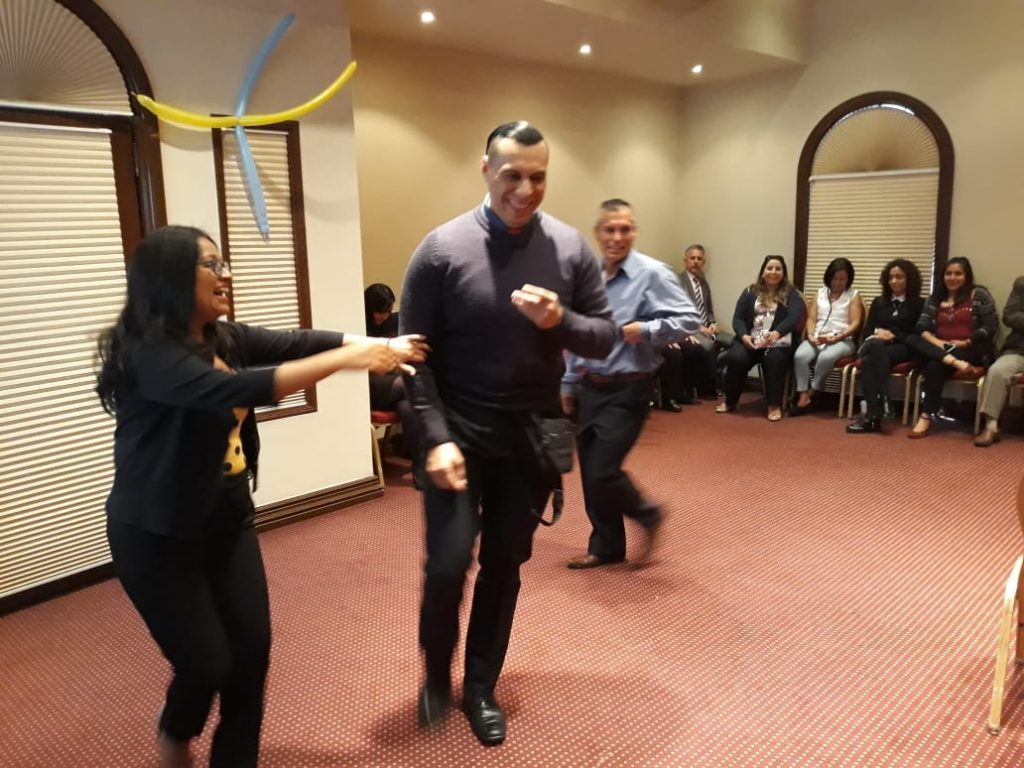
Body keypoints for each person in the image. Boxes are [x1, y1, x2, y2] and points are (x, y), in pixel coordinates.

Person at [95, 226, 427, 768]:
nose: (225, 273)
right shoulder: (150, 354)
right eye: (210, 264)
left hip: (227, 517)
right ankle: (176, 730)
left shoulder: (222, 338)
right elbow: (238, 389)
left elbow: (296, 342)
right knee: (206, 664)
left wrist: (376, 344)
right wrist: (353, 358)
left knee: (251, 656)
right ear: (170, 277)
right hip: (155, 533)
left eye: (223, 262)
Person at [399, 121, 615, 746]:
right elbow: (411, 358)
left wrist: (560, 319)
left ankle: (479, 687)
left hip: (528, 438)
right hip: (456, 437)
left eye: (538, 177)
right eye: (512, 175)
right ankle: (435, 675)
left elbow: (603, 337)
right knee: (447, 565)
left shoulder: (570, 249)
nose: (525, 190)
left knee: (504, 565)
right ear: (486, 170)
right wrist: (435, 436)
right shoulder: (440, 250)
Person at [561, 200, 699, 569]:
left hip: (629, 388)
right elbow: (577, 333)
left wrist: (649, 329)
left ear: (633, 232)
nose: (617, 237)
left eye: (625, 229)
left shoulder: (653, 274)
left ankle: (647, 513)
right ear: (598, 233)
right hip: (590, 386)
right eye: (610, 229)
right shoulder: (588, 277)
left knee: (604, 469)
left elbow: (690, 319)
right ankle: (606, 546)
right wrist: (568, 381)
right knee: (591, 473)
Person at [905, 256, 997, 438]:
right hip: (941, 349)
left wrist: (967, 341)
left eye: (958, 274)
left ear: (966, 276)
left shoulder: (979, 295)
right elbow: (921, 327)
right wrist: (939, 343)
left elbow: (991, 327)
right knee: (914, 342)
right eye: (948, 273)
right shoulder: (935, 298)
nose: (952, 278)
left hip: (971, 350)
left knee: (933, 362)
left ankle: (925, 416)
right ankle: (928, 414)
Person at [717, 255, 803, 421]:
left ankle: (774, 405)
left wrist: (776, 333)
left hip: (776, 341)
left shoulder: (791, 294)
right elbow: (738, 319)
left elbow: (793, 318)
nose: (773, 272)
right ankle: (731, 401)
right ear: (763, 272)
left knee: (774, 359)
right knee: (736, 357)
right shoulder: (750, 292)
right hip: (751, 339)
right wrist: (744, 336)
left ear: (784, 273)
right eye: (769, 268)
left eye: (778, 269)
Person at [846, 259, 925, 433]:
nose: (894, 281)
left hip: (904, 348)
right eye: (891, 278)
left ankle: (873, 415)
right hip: (879, 347)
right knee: (875, 346)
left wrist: (892, 335)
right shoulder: (879, 302)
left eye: (899, 277)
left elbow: (918, 335)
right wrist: (878, 332)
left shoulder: (918, 304)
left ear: (909, 279)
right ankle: (885, 400)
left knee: (868, 361)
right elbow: (867, 331)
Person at [790, 257, 864, 415]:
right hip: (818, 337)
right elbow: (811, 319)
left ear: (849, 279)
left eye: (842, 279)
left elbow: (856, 322)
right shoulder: (820, 293)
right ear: (829, 277)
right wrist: (811, 335)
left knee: (825, 357)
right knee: (800, 356)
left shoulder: (853, 295)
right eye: (835, 278)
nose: (838, 282)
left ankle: (812, 392)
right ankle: (803, 394)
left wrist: (839, 337)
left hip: (843, 340)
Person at [658, 244, 722, 408]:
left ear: (703, 262)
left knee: (733, 342)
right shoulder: (677, 281)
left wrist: (712, 322)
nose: (695, 261)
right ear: (685, 261)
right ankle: (709, 386)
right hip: (689, 328)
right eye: (692, 258)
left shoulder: (703, 283)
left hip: (707, 326)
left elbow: (708, 309)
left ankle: (712, 380)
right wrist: (697, 327)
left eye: (699, 259)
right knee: (707, 347)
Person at [975, 276, 1024, 446]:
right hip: (1019, 350)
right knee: (997, 370)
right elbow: (1010, 316)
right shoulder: (1022, 284)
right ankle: (991, 427)